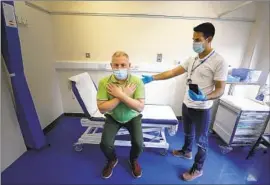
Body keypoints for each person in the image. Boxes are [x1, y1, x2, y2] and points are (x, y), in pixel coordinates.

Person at [142, 22, 228, 181]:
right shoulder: (193, 59)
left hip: (202, 108)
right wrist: (152, 78)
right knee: (188, 133)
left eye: (197, 39)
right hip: (187, 103)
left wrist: (205, 97)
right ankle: (186, 151)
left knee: (201, 141)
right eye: (193, 39)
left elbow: (221, 89)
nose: (194, 43)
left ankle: (198, 169)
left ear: (209, 39)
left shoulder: (219, 61)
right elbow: (173, 72)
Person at [96, 51, 145, 179]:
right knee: (105, 144)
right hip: (113, 116)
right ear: (111, 65)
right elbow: (101, 109)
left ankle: (133, 160)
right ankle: (112, 159)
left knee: (139, 144)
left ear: (129, 65)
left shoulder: (137, 82)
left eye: (123, 65)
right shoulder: (104, 82)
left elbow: (140, 107)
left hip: (132, 116)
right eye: (116, 65)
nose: (119, 68)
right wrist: (123, 95)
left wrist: (120, 94)